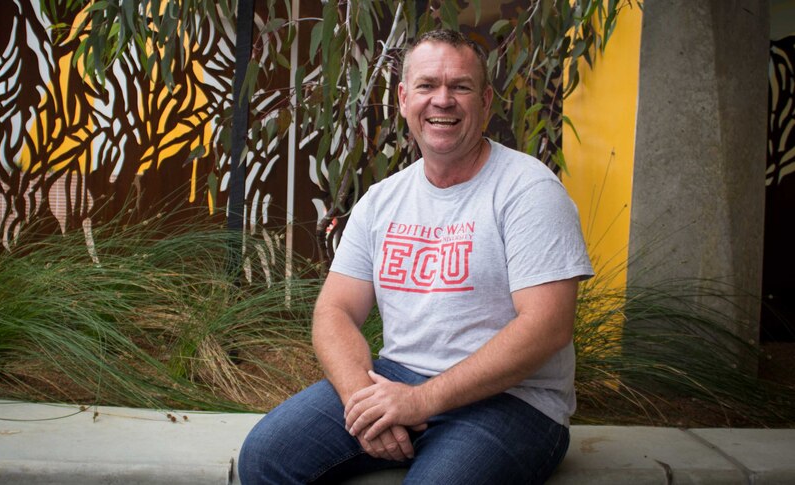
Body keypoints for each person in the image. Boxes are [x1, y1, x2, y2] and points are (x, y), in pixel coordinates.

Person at [238, 29, 593, 484]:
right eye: (427, 86)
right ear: (404, 98)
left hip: (514, 403)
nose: (442, 100)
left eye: (460, 86)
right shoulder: (382, 200)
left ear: (485, 102)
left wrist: (420, 401)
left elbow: (547, 327)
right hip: (394, 378)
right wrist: (361, 400)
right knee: (265, 457)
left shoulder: (529, 191)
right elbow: (335, 309)